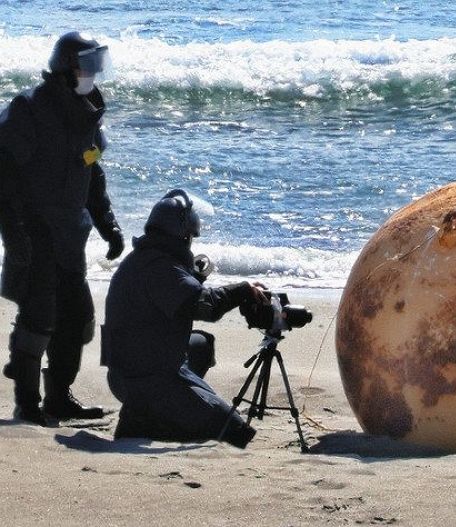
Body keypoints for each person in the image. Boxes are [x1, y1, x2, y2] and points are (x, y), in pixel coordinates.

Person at [0, 32, 124, 425]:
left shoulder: (87, 111)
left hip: (71, 232)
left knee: (79, 320)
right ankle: (27, 404)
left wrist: (108, 225)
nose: (94, 72)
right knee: (39, 318)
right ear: (65, 67)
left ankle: (58, 398)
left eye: (97, 64)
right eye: (88, 64)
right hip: (34, 230)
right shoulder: (29, 108)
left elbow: (92, 173)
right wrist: (13, 232)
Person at [102, 189, 271, 448]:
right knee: (234, 431)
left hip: (133, 368)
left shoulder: (145, 259)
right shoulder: (161, 268)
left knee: (200, 344)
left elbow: (177, 301)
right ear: (182, 235)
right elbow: (207, 307)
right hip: (144, 381)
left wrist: (202, 279)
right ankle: (145, 419)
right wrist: (242, 290)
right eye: (190, 236)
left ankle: (171, 408)